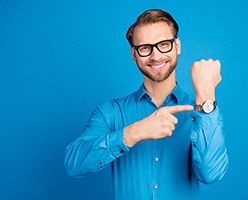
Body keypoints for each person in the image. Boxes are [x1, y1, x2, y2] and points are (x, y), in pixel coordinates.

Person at [64, 9, 229, 200]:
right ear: (134, 54)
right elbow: (73, 164)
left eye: (164, 44)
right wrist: (134, 132)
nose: (156, 56)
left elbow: (212, 174)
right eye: (145, 48)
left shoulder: (201, 112)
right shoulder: (110, 112)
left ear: (177, 46)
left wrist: (206, 94)